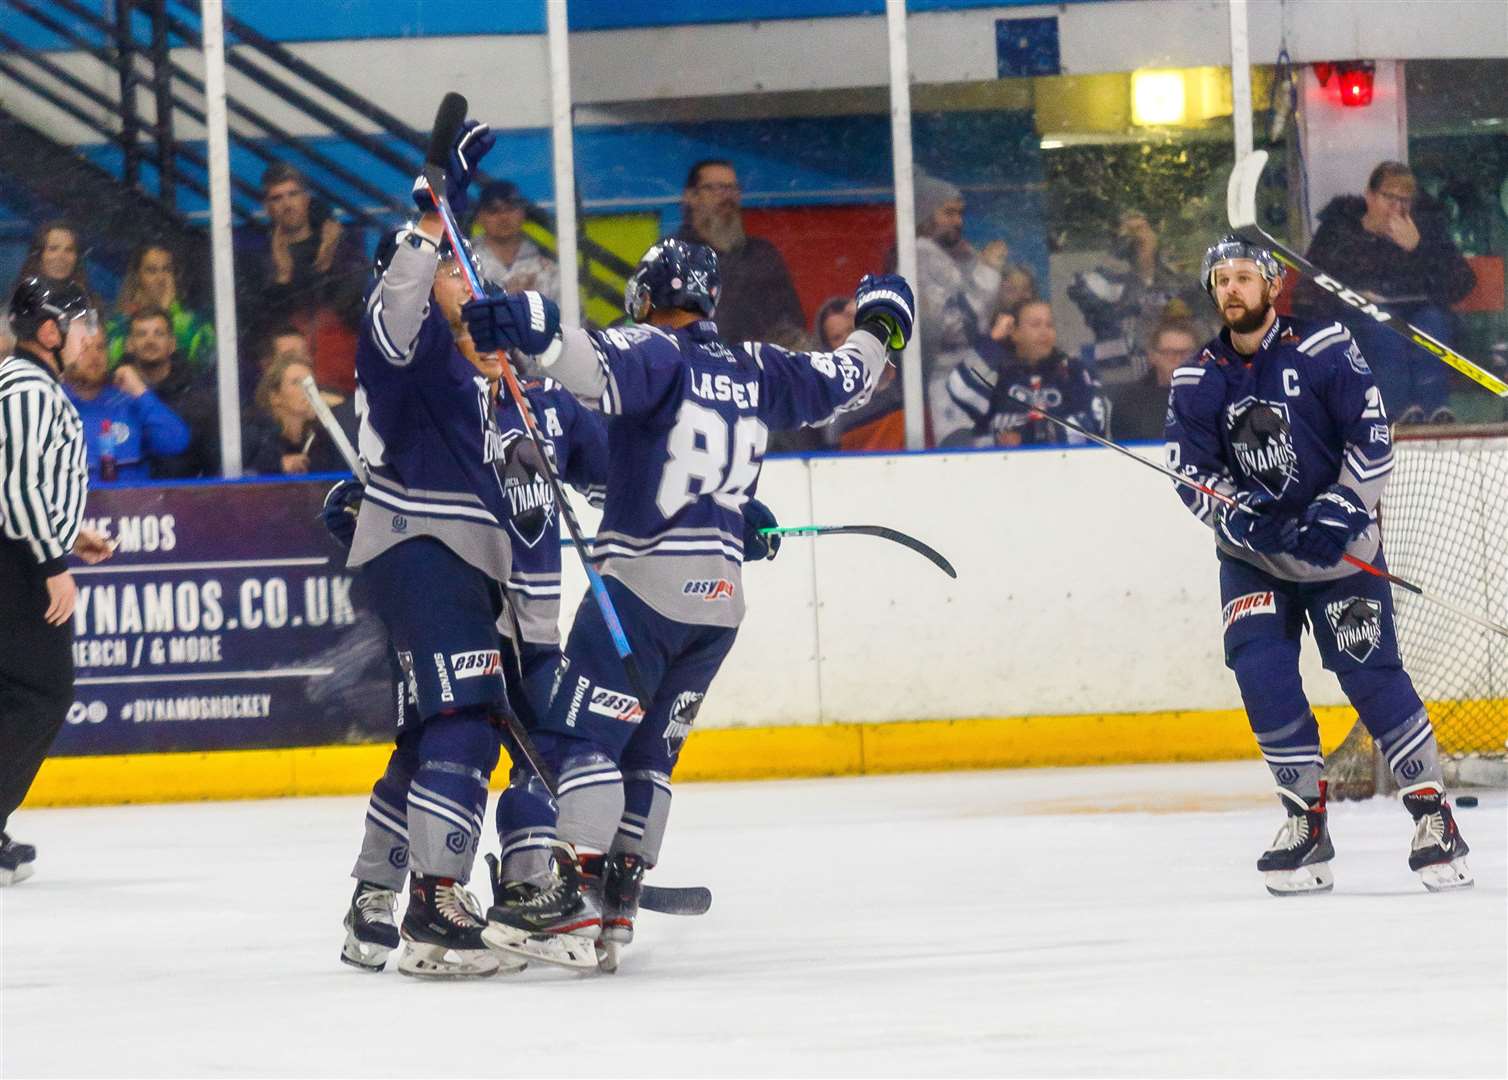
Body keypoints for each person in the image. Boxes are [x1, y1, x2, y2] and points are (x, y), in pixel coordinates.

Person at [460, 238, 912, 967]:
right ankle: (618, 907)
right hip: (721, 601)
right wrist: (882, 326)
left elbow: (588, 364)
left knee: (582, 740)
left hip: (645, 588)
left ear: (647, 296)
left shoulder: (656, 350)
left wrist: (526, 325)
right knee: (650, 759)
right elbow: (845, 378)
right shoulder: (758, 365)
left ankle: (571, 900)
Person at [1165, 234, 1472, 896]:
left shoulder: (1326, 347)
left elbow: (1372, 436)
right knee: (1261, 671)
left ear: (1273, 286)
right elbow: (1191, 473)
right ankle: (1306, 822)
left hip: (1340, 553)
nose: (1232, 289)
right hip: (1255, 562)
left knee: (1369, 672)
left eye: (1245, 277)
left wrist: (1335, 513)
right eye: (1221, 279)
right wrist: (1239, 514)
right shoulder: (1197, 378)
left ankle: (1433, 818)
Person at [334, 115, 520, 979]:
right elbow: (406, 288)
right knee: (463, 719)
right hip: (423, 548)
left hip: (448, 555)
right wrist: (436, 198)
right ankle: (435, 913)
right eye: (449, 260)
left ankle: (375, 897)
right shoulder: (396, 329)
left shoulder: (458, 359)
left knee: (427, 727)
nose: (457, 270)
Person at [0, 277, 115, 885]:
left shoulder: (32, 386)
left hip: (21, 551)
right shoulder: (26, 389)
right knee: (40, 689)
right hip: (15, 562)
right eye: (78, 324)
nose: (87, 336)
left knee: (18, 692)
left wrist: (69, 533)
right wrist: (51, 565)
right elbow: (16, 490)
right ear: (48, 332)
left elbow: (27, 486)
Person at [1295, 161, 1476, 424]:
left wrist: (1419, 248)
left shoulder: (1425, 231)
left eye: (1405, 200)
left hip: (1417, 313)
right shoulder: (1340, 231)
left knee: (1432, 322)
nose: (1397, 208)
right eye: (1389, 198)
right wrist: (1354, 297)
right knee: (1383, 326)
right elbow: (1310, 291)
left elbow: (1462, 282)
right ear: (1369, 196)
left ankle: (1436, 408)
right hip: (1357, 319)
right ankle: (1396, 409)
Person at [236, 163, 367, 394]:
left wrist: (327, 262)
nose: (287, 204)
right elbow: (257, 328)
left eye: (293, 194)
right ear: (267, 207)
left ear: (306, 199)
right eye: (277, 198)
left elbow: (351, 310)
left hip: (340, 373)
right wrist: (282, 278)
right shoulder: (257, 260)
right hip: (285, 381)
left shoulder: (339, 248)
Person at [911, 171, 1008, 441]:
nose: (958, 221)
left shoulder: (946, 255)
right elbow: (957, 326)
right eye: (949, 213)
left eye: (960, 213)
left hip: (974, 374)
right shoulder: (921, 255)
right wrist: (988, 270)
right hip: (950, 384)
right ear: (925, 214)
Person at [942, 297, 1107, 448]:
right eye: (1035, 325)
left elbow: (1095, 424)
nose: (1044, 332)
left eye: (1049, 325)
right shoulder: (998, 374)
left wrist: (1028, 438)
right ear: (1014, 333)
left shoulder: (1073, 372)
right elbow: (960, 389)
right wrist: (993, 340)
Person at [1067, 209, 1207, 383]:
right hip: (1120, 381)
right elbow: (1092, 296)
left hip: (1175, 383)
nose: (1140, 236)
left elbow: (1201, 325)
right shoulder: (1100, 283)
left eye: (1143, 228)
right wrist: (1122, 246)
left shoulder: (1178, 284)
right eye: (1130, 230)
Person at [675, 160, 805, 347]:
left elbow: (790, 322)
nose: (727, 197)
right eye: (716, 188)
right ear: (691, 197)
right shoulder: (671, 255)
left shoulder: (762, 254)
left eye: (732, 188)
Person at [63, 326, 191, 483]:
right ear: (63, 354)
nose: (94, 356)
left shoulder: (128, 399)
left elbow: (176, 442)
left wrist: (140, 392)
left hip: (132, 505)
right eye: (84, 348)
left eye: (100, 347)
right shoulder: (51, 402)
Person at [116, 308, 219, 478]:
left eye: (159, 334)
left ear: (172, 344)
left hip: (183, 495)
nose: (150, 340)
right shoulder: (113, 392)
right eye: (142, 334)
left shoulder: (195, 394)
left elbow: (205, 457)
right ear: (129, 345)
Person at [106, 242, 215, 373]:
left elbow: (206, 358)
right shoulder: (118, 324)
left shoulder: (193, 321)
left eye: (167, 270)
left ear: (175, 275)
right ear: (137, 277)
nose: (161, 278)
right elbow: (110, 360)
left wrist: (170, 314)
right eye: (151, 271)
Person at [241, 354, 348, 476]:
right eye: (296, 382)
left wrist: (341, 410)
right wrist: (278, 465)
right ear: (274, 397)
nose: (307, 389)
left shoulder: (319, 439)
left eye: (310, 383)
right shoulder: (257, 435)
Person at [1107, 318, 1199, 441]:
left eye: (1186, 353)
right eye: (1169, 353)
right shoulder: (1130, 401)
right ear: (1152, 356)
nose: (1178, 360)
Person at [471, 181, 560, 300]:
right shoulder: (464, 261)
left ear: (522, 213)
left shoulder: (546, 263)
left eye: (510, 209)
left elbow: (569, 315)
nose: (504, 217)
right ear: (479, 217)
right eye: (493, 211)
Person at [14, 221, 97, 305]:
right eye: (53, 249)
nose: (61, 257)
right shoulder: (18, 303)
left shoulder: (89, 303)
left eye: (69, 250)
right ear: (38, 255)